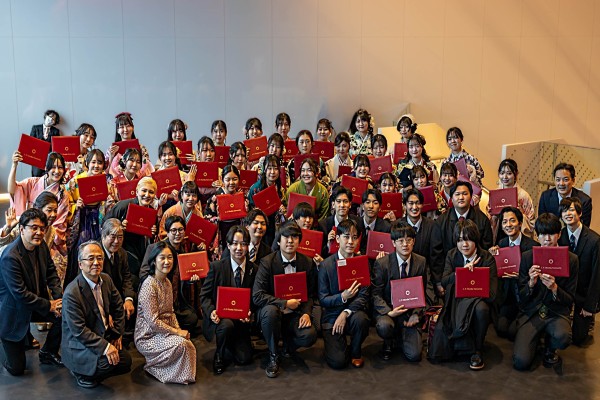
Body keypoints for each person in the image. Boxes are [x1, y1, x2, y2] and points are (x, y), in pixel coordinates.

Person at [0, 209, 63, 376]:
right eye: (34, 228)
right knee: (17, 369)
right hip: (13, 312)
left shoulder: (41, 246)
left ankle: (48, 352)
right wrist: (50, 305)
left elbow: (51, 273)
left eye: (42, 228)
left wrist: (59, 300)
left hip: (34, 303)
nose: (39, 232)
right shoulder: (10, 257)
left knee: (65, 315)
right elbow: (20, 294)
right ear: (22, 229)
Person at [512, 213, 579, 371]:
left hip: (556, 312)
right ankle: (535, 341)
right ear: (537, 235)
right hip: (532, 313)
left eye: (551, 234)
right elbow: (521, 297)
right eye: (542, 234)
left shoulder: (571, 259)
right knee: (521, 362)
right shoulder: (527, 257)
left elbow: (570, 299)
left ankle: (550, 347)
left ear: (559, 234)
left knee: (563, 337)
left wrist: (555, 288)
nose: (547, 239)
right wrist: (531, 283)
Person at [429, 219, 498, 370]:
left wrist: (474, 285)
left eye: (468, 239)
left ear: (476, 239)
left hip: (479, 300)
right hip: (456, 300)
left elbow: (492, 294)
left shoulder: (487, 258)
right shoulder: (452, 254)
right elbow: (444, 281)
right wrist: (461, 273)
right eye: (460, 240)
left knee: (481, 309)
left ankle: (477, 349)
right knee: (439, 350)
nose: (464, 245)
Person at [62, 241, 132, 388]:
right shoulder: (72, 293)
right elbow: (79, 331)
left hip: (102, 334)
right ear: (80, 264)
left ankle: (94, 368)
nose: (96, 262)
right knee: (108, 363)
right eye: (91, 258)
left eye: (99, 258)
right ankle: (80, 373)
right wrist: (106, 347)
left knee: (126, 361)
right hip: (80, 344)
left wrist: (117, 334)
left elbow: (118, 307)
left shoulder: (106, 279)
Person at [252, 220, 318, 378]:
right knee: (270, 311)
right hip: (272, 313)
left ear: (299, 241)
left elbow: (311, 294)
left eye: (294, 237)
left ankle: (288, 346)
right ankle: (273, 354)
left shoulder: (307, 262)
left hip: (295, 313)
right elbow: (257, 295)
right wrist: (284, 303)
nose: (290, 241)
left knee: (309, 335)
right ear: (278, 240)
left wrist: (306, 313)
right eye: (286, 237)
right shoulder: (267, 262)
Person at [135, 241, 196, 384]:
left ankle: (178, 373)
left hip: (165, 331)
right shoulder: (149, 285)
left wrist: (179, 331)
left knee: (188, 345)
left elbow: (171, 312)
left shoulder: (167, 282)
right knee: (181, 345)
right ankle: (153, 367)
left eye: (170, 258)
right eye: (162, 258)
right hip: (148, 335)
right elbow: (153, 322)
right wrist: (177, 332)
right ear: (154, 261)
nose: (167, 262)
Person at [200, 225, 258, 374]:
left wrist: (250, 312)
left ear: (248, 246)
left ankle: (230, 344)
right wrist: (211, 311)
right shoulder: (216, 267)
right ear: (228, 245)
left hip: (241, 323)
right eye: (235, 243)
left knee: (244, 359)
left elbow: (256, 297)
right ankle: (219, 355)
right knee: (226, 325)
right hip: (221, 320)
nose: (239, 248)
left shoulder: (254, 269)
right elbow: (204, 296)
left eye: (243, 244)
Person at [318, 219, 370, 369]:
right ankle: (336, 346)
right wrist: (342, 297)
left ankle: (355, 350)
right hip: (332, 315)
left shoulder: (362, 262)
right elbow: (323, 299)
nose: (350, 242)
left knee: (361, 319)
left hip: (353, 312)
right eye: (346, 237)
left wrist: (346, 312)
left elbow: (364, 295)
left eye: (354, 237)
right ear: (337, 238)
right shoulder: (326, 265)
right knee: (338, 362)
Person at [372, 222, 427, 362]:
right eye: (400, 241)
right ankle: (388, 341)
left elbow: (426, 290)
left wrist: (417, 314)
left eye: (409, 240)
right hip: (390, 311)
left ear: (414, 241)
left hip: (410, 313)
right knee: (384, 326)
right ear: (393, 243)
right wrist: (388, 311)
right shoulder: (382, 263)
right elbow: (375, 293)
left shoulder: (421, 262)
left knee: (414, 355)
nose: (405, 244)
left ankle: (402, 336)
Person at [140, 216, 201, 334]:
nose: (177, 234)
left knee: (192, 318)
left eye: (180, 230)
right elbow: (143, 273)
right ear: (167, 232)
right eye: (173, 230)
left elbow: (184, 278)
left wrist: (190, 280)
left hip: (176, 300)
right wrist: (160, 279)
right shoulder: (155, 248)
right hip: (157, 296)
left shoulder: (184, 251)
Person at [488, 207, 539, 339]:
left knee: (513, 333)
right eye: (504, 222)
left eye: (512, 221)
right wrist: (493, 256)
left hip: (525, 297)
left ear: (520, 223)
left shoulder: (533, 246)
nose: (508, 225)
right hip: (509, 297)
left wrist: (520, 276)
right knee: (501, 329)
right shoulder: (502, 243)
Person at [8, 151, 70, 260]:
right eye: (53, 167)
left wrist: (41, 235)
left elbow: (59, 225)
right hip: (28, 233)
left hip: (49, 239)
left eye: (60, 167)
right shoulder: (33, 183)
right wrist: (14, 165)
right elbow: (13, 190)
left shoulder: (63, 195)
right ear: (46, 168)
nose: (57, 171)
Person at [64, 149, 112, 286]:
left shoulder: (106, 181)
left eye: (100, 163)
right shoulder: (76, 181)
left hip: (98, 219)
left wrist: (108, 204)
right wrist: (75, 206)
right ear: (87, 163)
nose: (96, 166)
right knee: (82, 250)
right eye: (93, 162)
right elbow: (65, 202)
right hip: (82, 219)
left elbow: (109, 203)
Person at [104, 177, 162, 286]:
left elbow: (151, 239)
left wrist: (153, 232)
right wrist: (119, 226)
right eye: (144, 190)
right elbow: (105, 224)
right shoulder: (123, 206)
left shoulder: (152, 213)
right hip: (121, 253)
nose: (147, 195)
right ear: (137, 191)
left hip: (140, 255)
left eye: (151, 192)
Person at [558, 198, 600, 346]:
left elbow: (597, 275)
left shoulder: (594, 240)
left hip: (583, 294)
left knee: (578, 339)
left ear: (580, 213)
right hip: (564, 292)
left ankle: (588, 319)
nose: (567, 214)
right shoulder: (559, 236)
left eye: (571, 210)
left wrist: (590, 306)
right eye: (564, 211)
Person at [401, 188, 445, 303]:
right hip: (402, 275)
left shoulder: (432, 226)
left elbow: (436, 256)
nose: (414, 207)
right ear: (405, 205)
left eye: (418, 203)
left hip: (426, 275)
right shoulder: (398, 226)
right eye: (410, 203)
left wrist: (438, 282)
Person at [100, 219, 137, 342]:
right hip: (100, 299)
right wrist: (105, 312)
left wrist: (128, 299)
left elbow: (127, 277)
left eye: (120, 237)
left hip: (116, 295)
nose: (116, 241)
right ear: (103, 236)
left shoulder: (122, 253)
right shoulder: (95, 255)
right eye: (113, 237)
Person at [204, 165, 249, 259]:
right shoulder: (215, 199)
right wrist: (218, 218)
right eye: (228, 179)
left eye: (234, 179)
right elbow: (207, 220)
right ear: (222, 179)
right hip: (222, 233)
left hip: (238, 234)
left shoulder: (243, 198)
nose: (231, 183)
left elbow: (249, 219)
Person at [436, 181, 493, 255]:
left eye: (465, 194)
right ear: (451, 198)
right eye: (457, 194)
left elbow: (487, 248)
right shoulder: (441, 221)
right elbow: (437, 250)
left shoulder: (483, 220)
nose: (461, 198)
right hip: (449, 262)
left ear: (471, 196)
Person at [247, 155, 286, 246]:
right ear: (264, 170)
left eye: (275, 168)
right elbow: (249, 211)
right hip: (259, 225)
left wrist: (282, 210)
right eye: (269, 168)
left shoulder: (280, 188)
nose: (272, 172)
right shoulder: (255, 189)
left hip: (274, 225)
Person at [490, 159, 535, 239]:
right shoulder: (495, 194)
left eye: (509, 173)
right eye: (502, 173)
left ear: (516, 174)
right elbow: (489, 219)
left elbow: (531, 222)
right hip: (499, 234)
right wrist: (491, 214)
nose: (505, 177)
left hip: (517, 235)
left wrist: (520, 214)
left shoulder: (523, 195)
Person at [538, 163, 592, 227]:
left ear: (573, 180)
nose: (561, 183)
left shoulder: (584, 201)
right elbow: (542, 224)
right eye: (558, 180)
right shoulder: (545, 197)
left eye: (565, 180)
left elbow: (583, 228)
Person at [319, 186, 365, 257]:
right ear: (333, 204)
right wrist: (328, 244)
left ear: (350, 204)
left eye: (345, 201)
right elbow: (320, 252)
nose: (342, 205)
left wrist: (359, 254)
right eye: (338, 201)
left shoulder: (359, 222)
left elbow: (363, 246)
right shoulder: (323, 225)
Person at [106, 112, 154, 178]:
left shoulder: (141, 148)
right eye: (121, 127)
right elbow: (106, 172)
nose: (125, 130)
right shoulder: (112, 149)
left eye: (128, 126)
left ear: (133, 128)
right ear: (118, 130)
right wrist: (111, 157)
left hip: (138, 180)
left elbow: (147, 167)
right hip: (117, 181)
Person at [360, 188, 391, 255]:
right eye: (368, 202)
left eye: (375, 203)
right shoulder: (355, 224)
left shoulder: (386, 228)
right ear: (362, 206)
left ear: (380, 207)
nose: (371, 206)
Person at [30, 109, 60, 177]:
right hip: (37, 158)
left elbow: (56, 147)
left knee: (49, 176)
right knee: (36, 176)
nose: (51, 119)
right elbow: (31, 143)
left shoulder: (56, 131)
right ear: (46, 116)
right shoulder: (35, 128)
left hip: (49, 159)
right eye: (50, 117)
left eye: (53, 119)